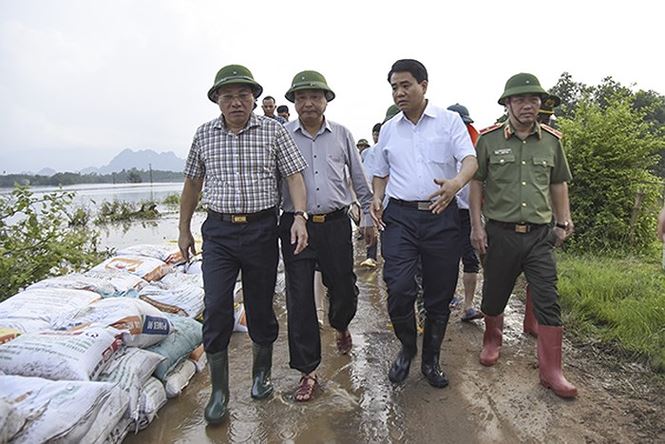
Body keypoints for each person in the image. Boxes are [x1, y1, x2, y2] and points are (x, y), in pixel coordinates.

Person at [178, 64, 309, 423]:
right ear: (217, 101)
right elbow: (192, 184)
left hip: (261, 230)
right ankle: (220, 391)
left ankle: (261, 375)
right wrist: (184, 228)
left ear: (254, 98)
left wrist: (299, 215)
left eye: (243, 95)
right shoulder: (204, 135)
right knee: (217, 304)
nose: (236, 102)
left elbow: (294, 175)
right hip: (218, 233)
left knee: (260, 304)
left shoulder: (273, 132)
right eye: (228, 96)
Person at [469, 73, 577, 398]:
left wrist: (563, 222)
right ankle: (492, 340)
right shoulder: (488, 141)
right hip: (500, 233)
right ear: (507, 104)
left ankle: (552, 371)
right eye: (520, 100)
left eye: (534, 100)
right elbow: (477, 184)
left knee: (549, 298)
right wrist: (477, 226)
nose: (528, 106)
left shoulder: (552, 142)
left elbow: (558, 183)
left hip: (539, 236)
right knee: (495, 294)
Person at [371, 59, 477, 388]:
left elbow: (470, 160)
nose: (399, 92)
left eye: (405, 85)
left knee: (439, 293)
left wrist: (456, 183)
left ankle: (431, 359)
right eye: (394, 87)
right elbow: (380, 171)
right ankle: (406, 348)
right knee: (399, 286)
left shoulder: (449, 122)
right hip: (400, 217)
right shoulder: (389, 128)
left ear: (424, 85)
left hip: (440, 212)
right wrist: (377, 197)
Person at [280, 70, 374, 401]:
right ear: (292, 102)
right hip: (295, 225)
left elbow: (358, 177)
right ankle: (308, 371)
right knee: (301, 297)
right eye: (301, 97)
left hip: (335, 224)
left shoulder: (343, 135)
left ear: (326, 100)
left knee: (344, 288)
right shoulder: (282, 136)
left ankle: (341, 323)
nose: (308, 103)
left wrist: (367, 214)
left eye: (315, 97)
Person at [446, 103, 483, 322]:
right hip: (446, 211)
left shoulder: (476, 150)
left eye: (465, 124)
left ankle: (468, 305)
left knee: (470, 259)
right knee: (445, 259)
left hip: (469, 212)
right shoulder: (439, 146)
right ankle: (447, 297)